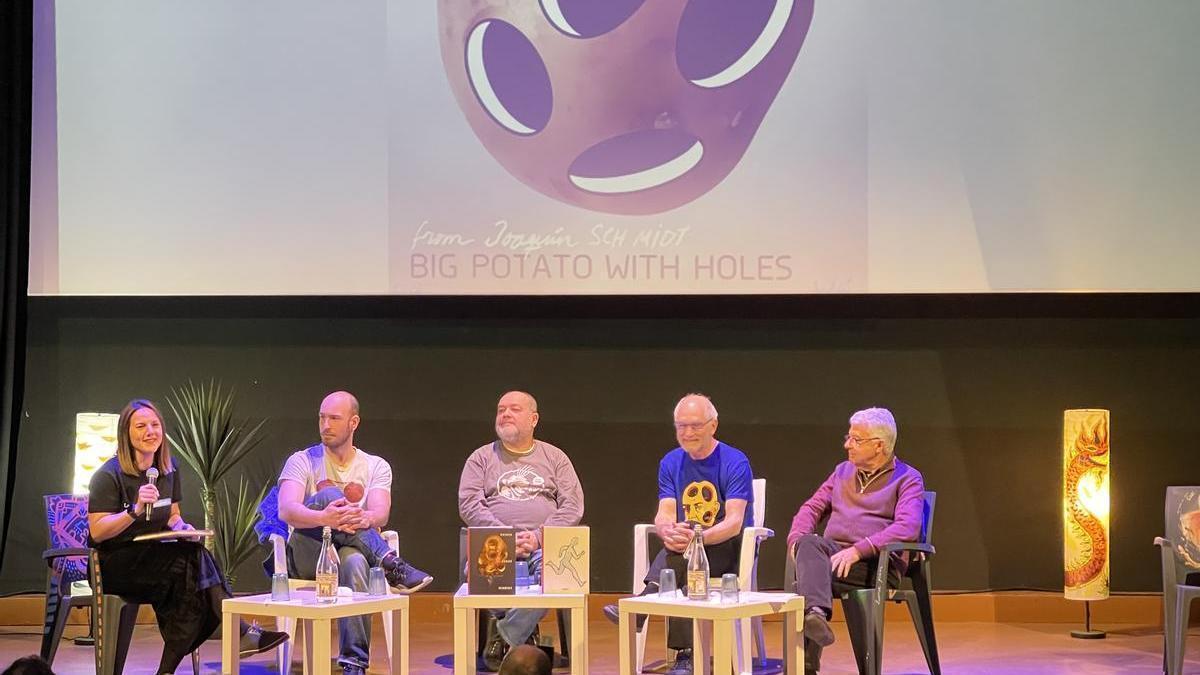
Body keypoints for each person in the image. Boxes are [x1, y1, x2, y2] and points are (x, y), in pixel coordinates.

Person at [87, 399, 287, 675]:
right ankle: (239, 632)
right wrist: (133, 512)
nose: (150, 431)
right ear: (126, 434)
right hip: (113, 565)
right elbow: (97, 531)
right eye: (141, 426)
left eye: (155, 425)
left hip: (155, 561)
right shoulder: (108, 475)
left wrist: (182, 527)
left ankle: (171, 669)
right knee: (192, 566)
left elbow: (171, 514)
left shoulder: (168, 469)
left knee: (190, 584)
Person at [277, 391, 432, 675]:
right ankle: (390, 563)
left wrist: (362, 517)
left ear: (353, 422)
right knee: (329, 496)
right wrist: (325, 518)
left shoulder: (376, 466)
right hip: (308, 551)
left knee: (356, 562)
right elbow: (286, 510)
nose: (325, 424)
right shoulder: (301, 460)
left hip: (351, 549)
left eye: (334, 418)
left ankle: (354, 663)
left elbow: (379, 513)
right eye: (322, 417)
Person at [603, 393, 754, 675]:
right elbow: (666, 511)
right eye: (681, 426)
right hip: (686, 548)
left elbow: (734, 522)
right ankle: (678, 644)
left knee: (686, 554)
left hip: (727, 545)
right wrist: (666, 529)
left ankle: (648, 606)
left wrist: (696, 540)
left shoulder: (734, 461)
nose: (687, 432)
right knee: (683, 553)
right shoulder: (671, 462)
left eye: (695, 425)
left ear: (713, 425)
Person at [787, 407, 925, 674]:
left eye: (855, 439)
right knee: (809, 544)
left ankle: (807, 660)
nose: (847, 444)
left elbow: (907, 526)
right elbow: (811, 508)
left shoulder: (908, 478)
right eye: (848, 437)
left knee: (809, 575)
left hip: (876, 563)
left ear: (878, 445)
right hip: (833, 555)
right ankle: (816, 613)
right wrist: (795, 540)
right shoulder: (842, 472)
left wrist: (858, 551)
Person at [458, 391, 585, 671]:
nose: (505, 414)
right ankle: (525, 634)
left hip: (545, 545)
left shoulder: (555, 457)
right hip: (495, 545)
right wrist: (507, 538)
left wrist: (539, 536)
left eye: (514, 409)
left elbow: (573, 506)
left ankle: (505, 635)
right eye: (501, 409)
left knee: (561, 578)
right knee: (482, 574)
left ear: (534, 419)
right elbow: (469, 505)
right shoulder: (481, 458)